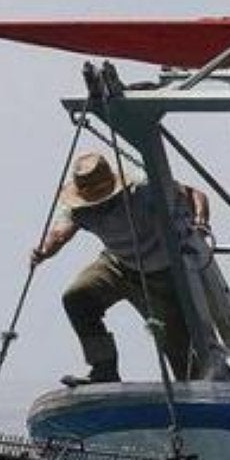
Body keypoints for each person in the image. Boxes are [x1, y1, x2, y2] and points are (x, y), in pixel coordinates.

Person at [31, 152, 210, 385]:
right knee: (77, 297)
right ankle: (104, 368)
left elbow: (195, 194)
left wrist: (201, 222)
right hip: (119, 265)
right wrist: (44, 251)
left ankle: (195, 391)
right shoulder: (81, 208)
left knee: (181, 355)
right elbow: (59, 233)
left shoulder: (144, 192)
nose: (98, 203)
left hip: (162, 275)